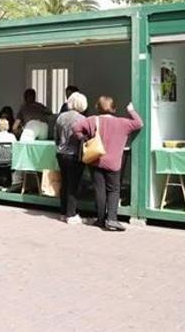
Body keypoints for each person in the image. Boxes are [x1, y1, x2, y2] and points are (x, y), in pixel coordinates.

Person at [74, 96, 143, 232]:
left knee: (99, 190)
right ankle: (112, 219)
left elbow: (76, 128)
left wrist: (85, 138)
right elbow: (139, 123)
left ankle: (100, 219)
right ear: (114, 108)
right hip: (114, 163)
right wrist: (131, 110)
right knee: (113, 190)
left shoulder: (92, 120)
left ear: (97, 108)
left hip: (96, 160)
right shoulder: (123, 123)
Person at [55, 92, 88, 224]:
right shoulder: (82, 119)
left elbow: (56, 136)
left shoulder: (60, 117)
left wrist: (58, 147)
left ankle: (63, 212)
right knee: (74, 184)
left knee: (65, 182)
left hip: (61, 153)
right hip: (75, 154)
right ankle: (71, 214)